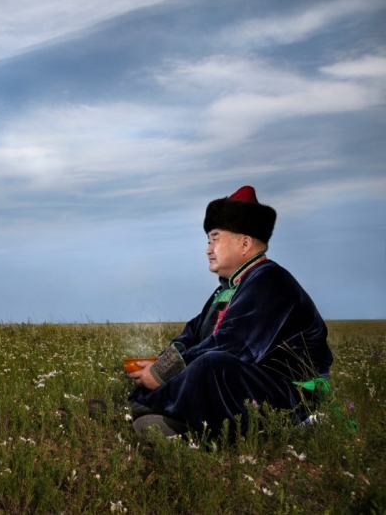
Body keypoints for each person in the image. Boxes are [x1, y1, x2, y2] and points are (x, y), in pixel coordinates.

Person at [127, 186, 333, 438]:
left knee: (215, 363)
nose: (208, 249)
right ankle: (175, 418)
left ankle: (152, 409)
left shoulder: (270, 280)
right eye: (208, 241)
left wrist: (161, 375)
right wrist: (159, 364)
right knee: (202, 362)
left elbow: (235, 345)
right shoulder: (227, 289)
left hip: (290, 395)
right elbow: (190, 336)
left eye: (215, 238)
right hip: (247, 387)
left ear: (245, 243)